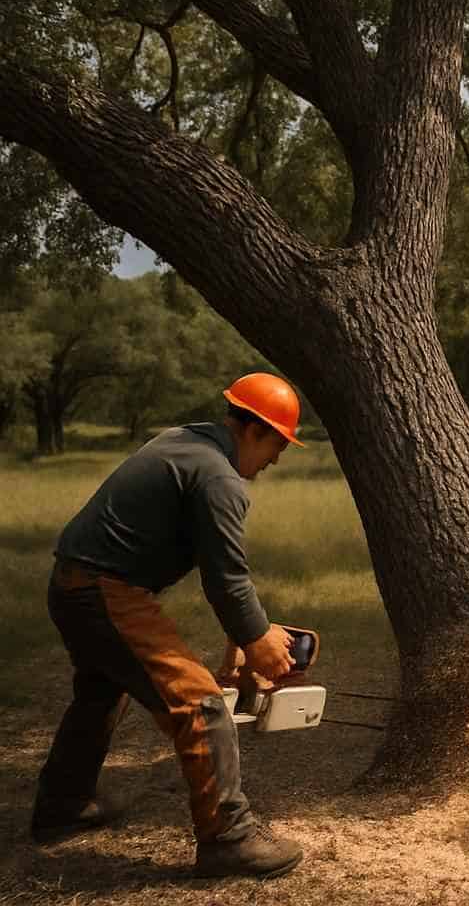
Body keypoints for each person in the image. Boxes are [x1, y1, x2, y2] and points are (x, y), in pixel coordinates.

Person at [32, 372, 308, 880]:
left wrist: (243, 638)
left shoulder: (183, 441)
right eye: (277, 445)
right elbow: (228, 581)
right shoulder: (220, 475)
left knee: (100, 691)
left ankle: (64, 802)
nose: (275, 460)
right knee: (201, 706)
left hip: (73, 583)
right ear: (254, 431)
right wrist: (258, 639)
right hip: (103, 590)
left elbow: (218, 568)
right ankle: (230, 837)